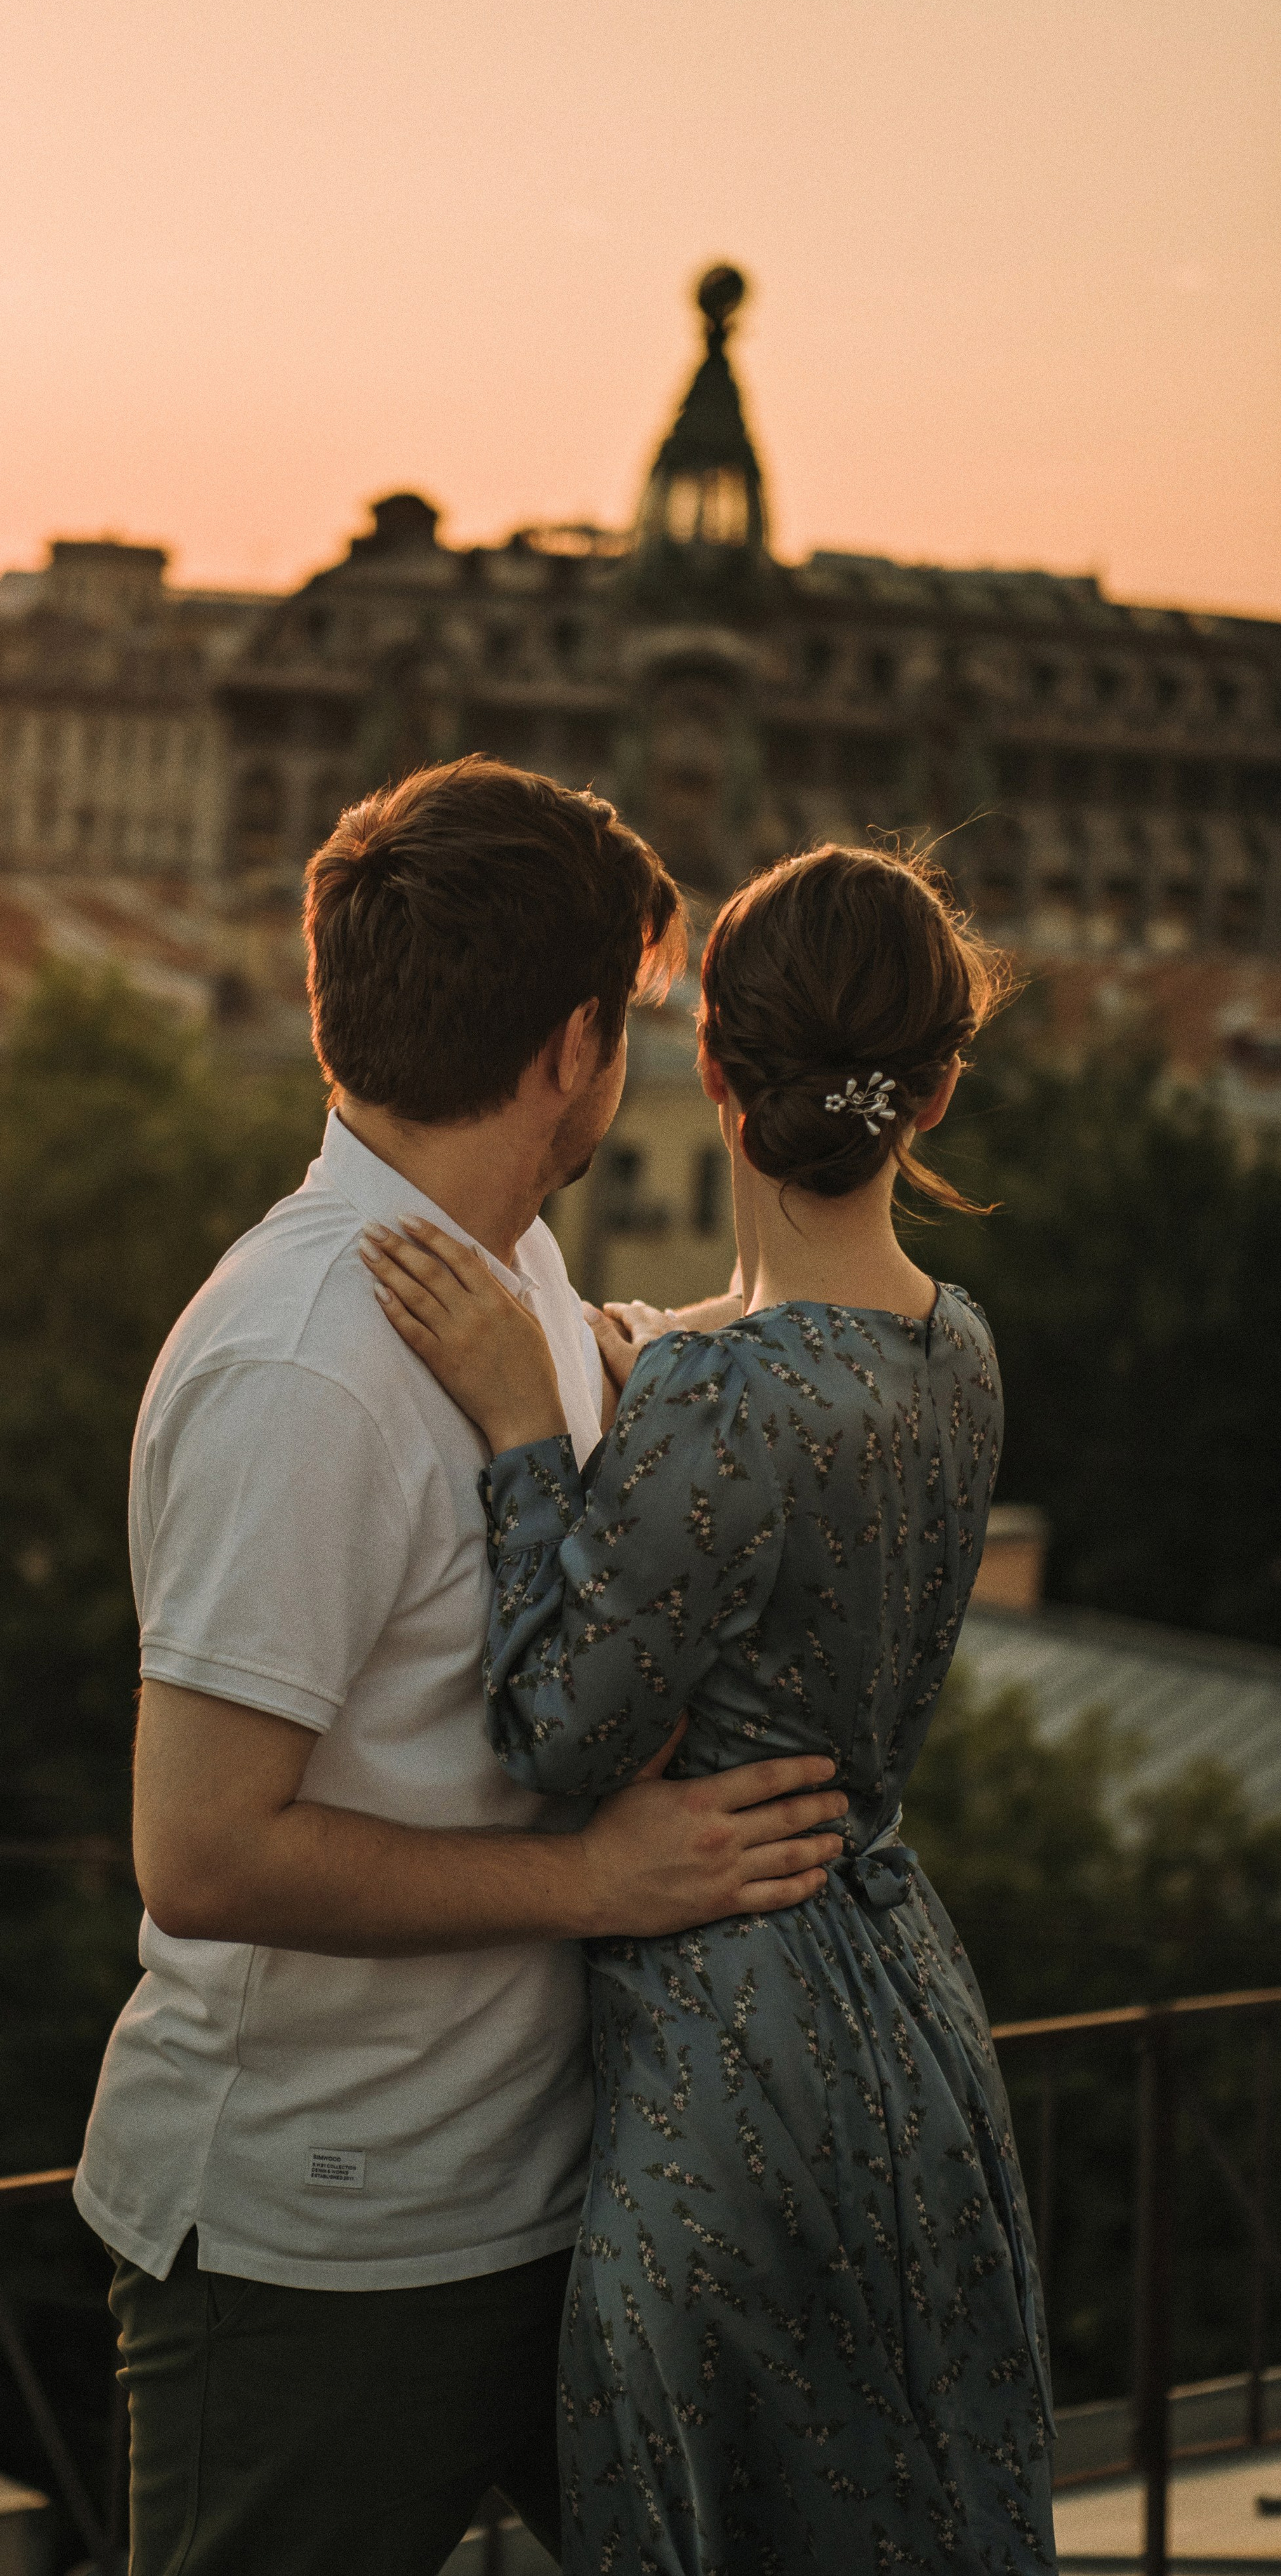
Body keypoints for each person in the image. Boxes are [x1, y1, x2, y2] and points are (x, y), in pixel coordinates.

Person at [75, 761, 851, 2575]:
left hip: (541, 2199)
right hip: (317, 2247)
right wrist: (591, 1880)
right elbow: (201, 1850)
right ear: (579, 1044)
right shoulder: (304, 1363)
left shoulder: (508, 1271)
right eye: (636, 1026)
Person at [363, 842, 1057, 2575]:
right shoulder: (953, 1345)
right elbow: (781, 1401)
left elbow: (550, 1736)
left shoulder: (709, 1397)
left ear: (711, 1074)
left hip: (729, 2053)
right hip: (908, 2020)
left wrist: (537, 1430)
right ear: (936, 1088)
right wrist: (644, 1351)